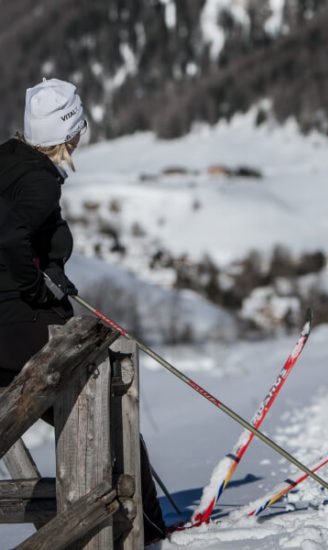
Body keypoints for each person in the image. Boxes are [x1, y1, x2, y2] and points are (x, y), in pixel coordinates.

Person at [0, 78, 166, 545]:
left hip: (11, 322)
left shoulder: (8, 162)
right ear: (69, 132)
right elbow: (12, 236)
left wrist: (47, 270)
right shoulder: (38, 180)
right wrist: (36, 286)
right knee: (111, 415)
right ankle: (140, 529)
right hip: (21, 328)